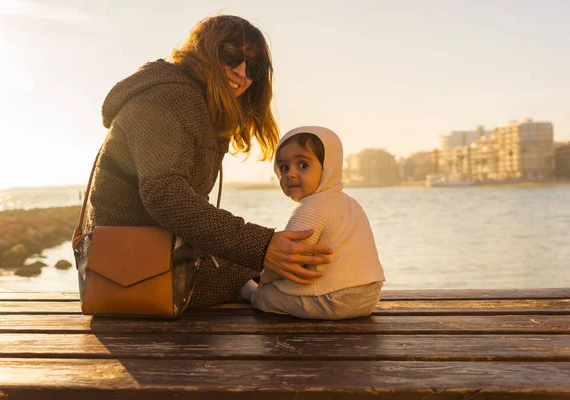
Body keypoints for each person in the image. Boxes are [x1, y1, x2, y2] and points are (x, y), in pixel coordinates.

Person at [82, 15, 331, 308]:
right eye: (231, 55)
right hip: (134, 269)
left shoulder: (194, 103)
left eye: (253, 68)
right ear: (204, 48)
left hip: (145, 258)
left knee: (277, 269)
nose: (241, 72)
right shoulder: (168, 97)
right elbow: (165, 195)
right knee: (281, 275)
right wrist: (262, 246)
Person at [249, 126, 386, 320]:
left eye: (303, 165)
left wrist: (264, 278)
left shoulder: (313, 206)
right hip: (369, 296)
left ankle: (250, 291)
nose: (291, 174)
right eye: (284, 168)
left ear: (328, 167)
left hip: (331, 299)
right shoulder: (350, 203)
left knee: (264, 297)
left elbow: (289, 257)